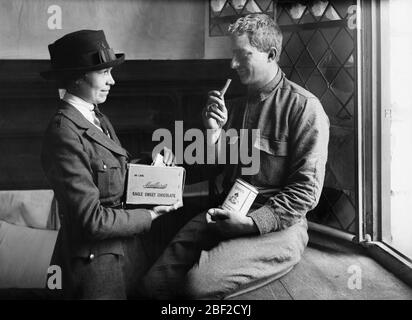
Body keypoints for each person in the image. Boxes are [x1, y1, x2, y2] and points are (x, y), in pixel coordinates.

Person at [142, 13, 330, 299]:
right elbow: (213, 166)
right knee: (153, 286)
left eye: (243, 55)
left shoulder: (304, 108)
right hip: (225, 211)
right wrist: (213, 133)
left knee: (197, 286)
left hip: (277, 227)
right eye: (233, 55)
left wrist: (254, 223)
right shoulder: (234, 107)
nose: (233, 64)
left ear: (271, 54)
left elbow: (305, 192)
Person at [40, 30, 179, 299]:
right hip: (94, 270)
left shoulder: (96, 117)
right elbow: (91, 220)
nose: (112, 81)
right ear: (78, 76)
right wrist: (150, 216)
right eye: (104, 73)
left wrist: (152, 163)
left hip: (125, 255)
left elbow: (111, 173)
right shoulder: (64, 133)